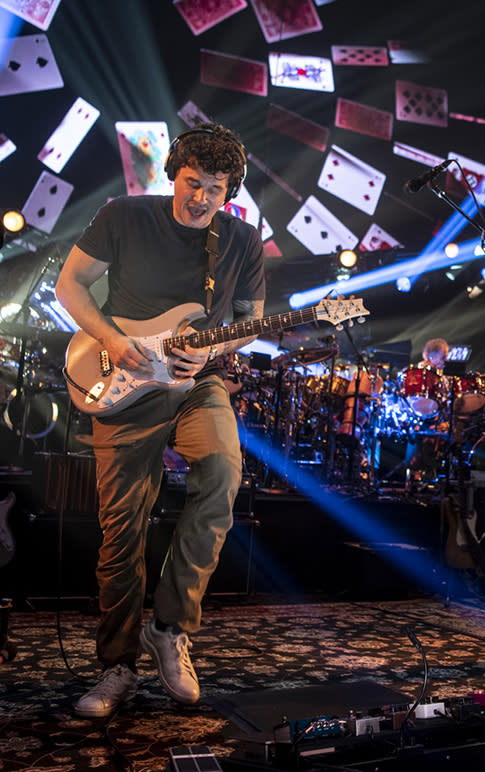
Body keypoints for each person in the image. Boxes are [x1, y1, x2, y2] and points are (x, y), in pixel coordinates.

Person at [55, 123, 265, 717]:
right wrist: (113, 339)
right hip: (122, 382)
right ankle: (116, 666)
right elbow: (69, 286)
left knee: (223, 473)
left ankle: (170, 628)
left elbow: (250, 320)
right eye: (192, 182)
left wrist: (214, 352)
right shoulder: (124, 215)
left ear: (230, 191)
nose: (200, 198)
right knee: (122, 528)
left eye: (214, 188)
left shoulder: (241, 241)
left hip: (197, 384)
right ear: (174, 172)